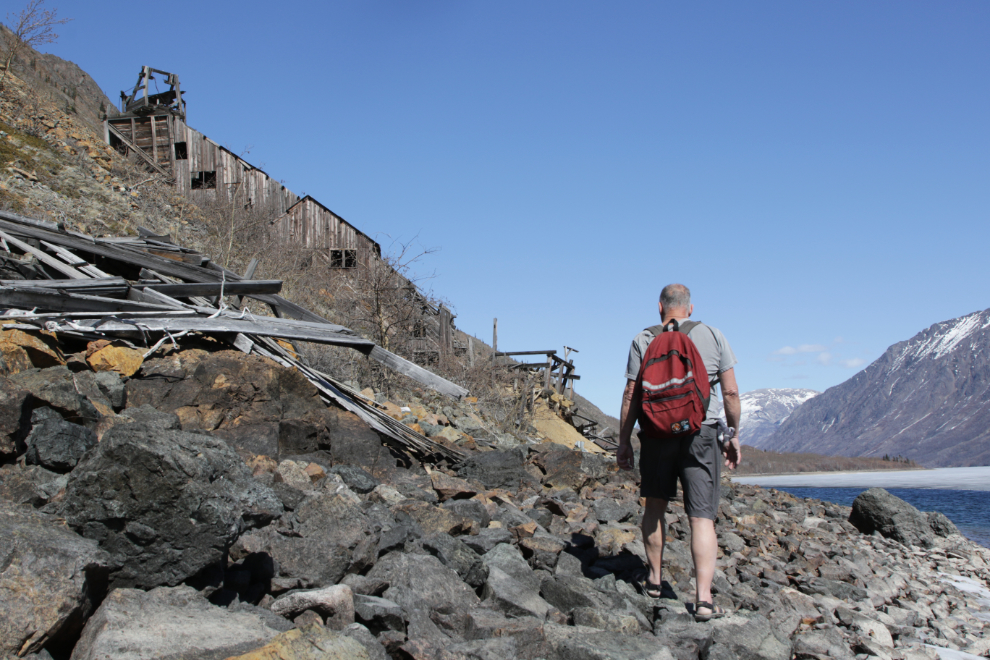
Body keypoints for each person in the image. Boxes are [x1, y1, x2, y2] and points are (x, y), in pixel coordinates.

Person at [616, 283, 742, 622]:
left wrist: (625, 440)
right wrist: (732, 434)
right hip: (702, 432)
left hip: (656, 434)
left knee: (655, 506)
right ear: (690, 308)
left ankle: (655, 582)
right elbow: (730, 393)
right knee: (702, 516)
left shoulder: (643, 339)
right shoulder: (714, 336)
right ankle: (703, 599)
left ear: (660, 307)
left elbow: (631, 394)